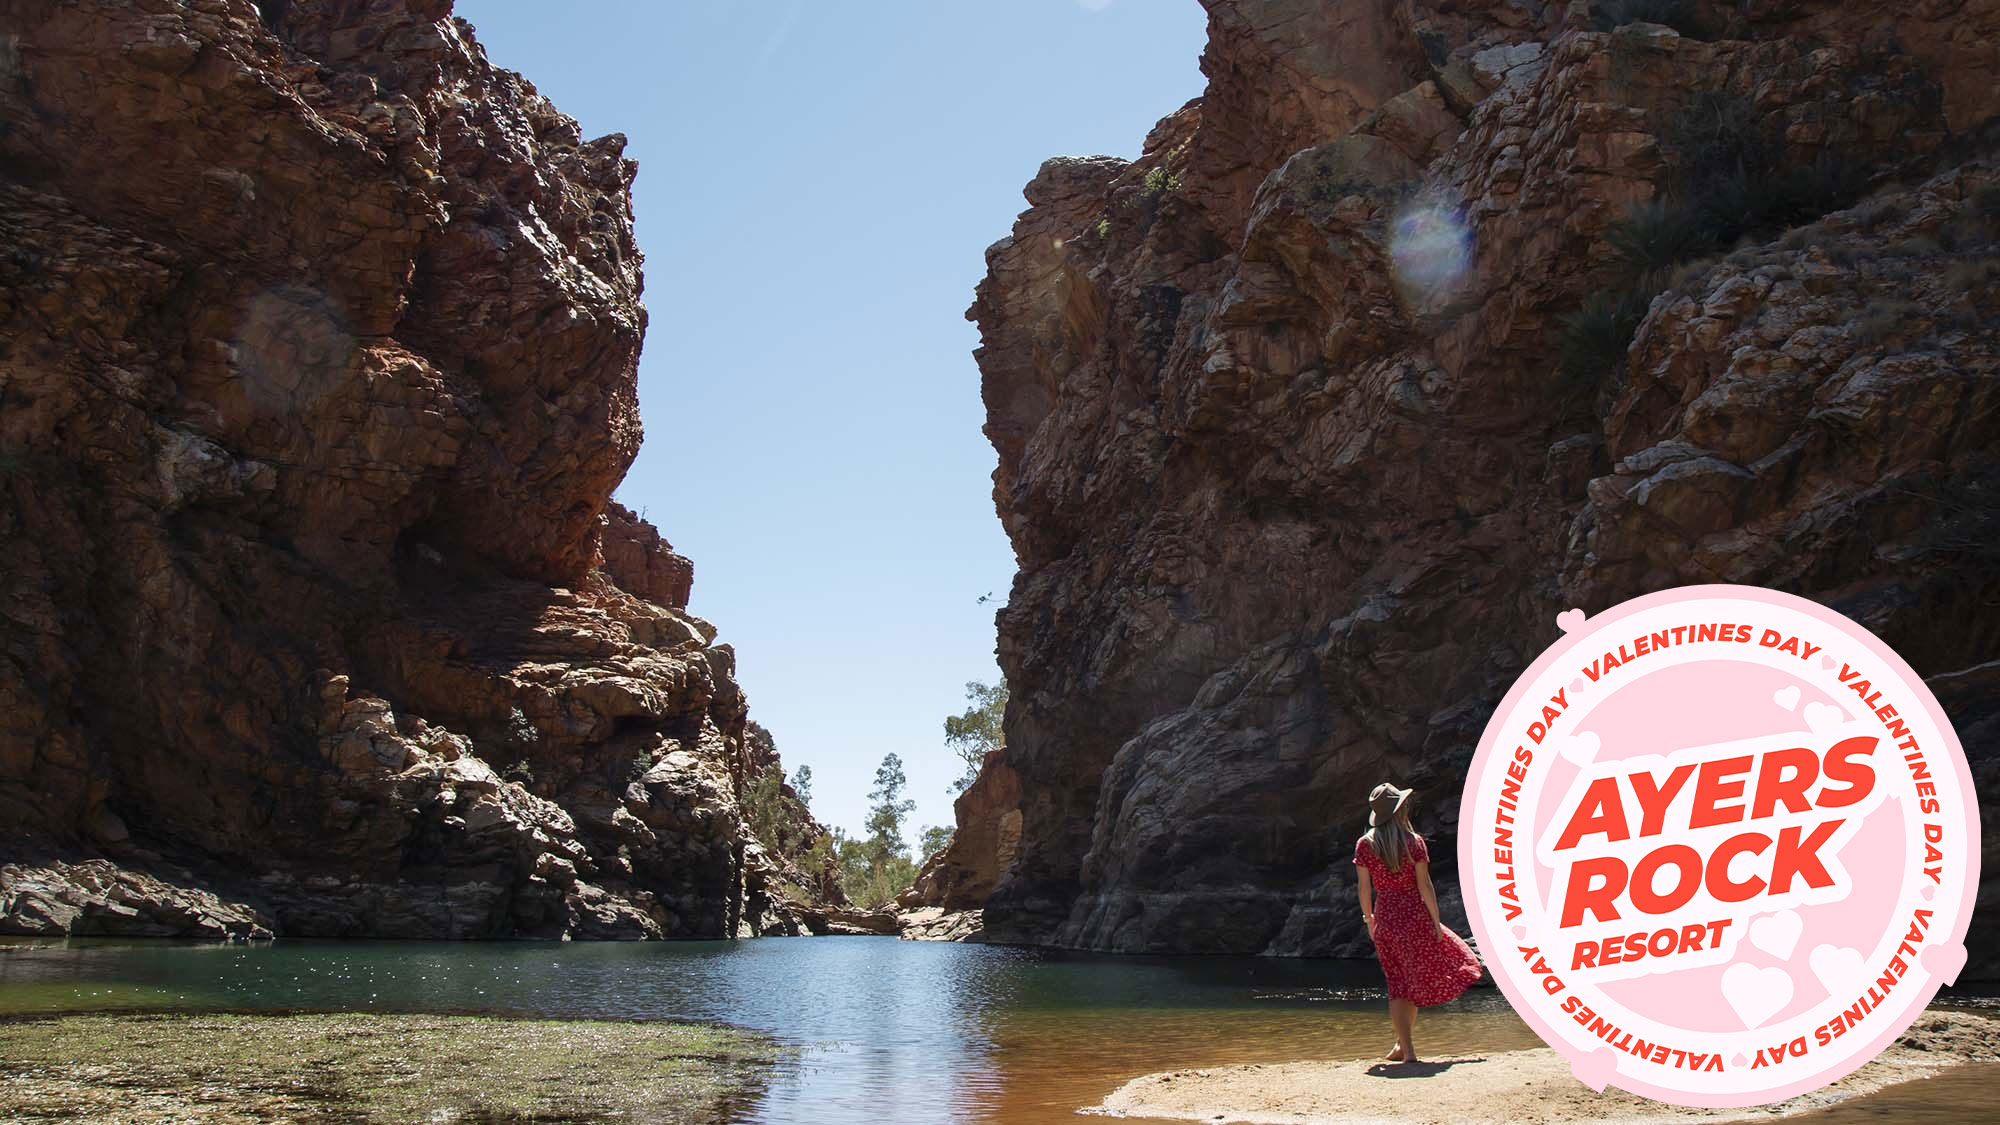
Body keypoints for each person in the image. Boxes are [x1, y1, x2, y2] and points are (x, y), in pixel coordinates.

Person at [1353, 782, 1483, 1063]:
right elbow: (1425, 884)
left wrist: (1368, 921)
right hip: (1415, 916)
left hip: (1386, 917)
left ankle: (1404, 1047)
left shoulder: (1366, 844)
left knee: (1398, 984)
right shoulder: (1414, 842)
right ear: (1400, 810)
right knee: (1413, 980)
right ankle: (1407, 1049)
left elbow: (1364, 888)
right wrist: (1435, 922)